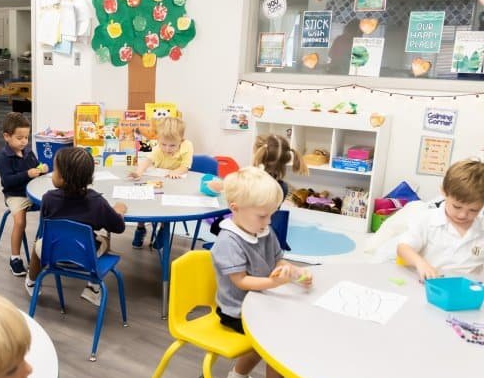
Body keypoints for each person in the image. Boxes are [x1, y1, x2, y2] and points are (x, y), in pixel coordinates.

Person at [210, 166, 311, 378]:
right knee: (275, 341)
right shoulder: (228, 241)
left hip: (263, 300)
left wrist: (293, 272)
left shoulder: (263, 229)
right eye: (263, 215)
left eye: (272, 214)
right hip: (236, 309)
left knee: (293, 321)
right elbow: (241, 282)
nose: (268, 222)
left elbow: (278, 258)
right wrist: (275, 282)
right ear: (236, 208)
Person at [24, 146, 126, 307]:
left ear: (63, 178)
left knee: (38, 245)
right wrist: (119, 212)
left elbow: (44, 226)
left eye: (55, 170)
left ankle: (31, 281)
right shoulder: (97, 202)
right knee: (105, 237)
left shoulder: (48, 198)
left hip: (52, 253)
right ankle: (93, 287)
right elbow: (119, 227)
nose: (52, 173)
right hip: (85, 256)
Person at [397, 159, 484, 280]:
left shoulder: (481, 228)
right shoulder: (427, 219)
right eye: (457, 207)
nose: (463, 215)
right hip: (430, 284)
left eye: (473, 210)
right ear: (444, 192)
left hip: (467, 290)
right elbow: (403, 248)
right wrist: (421, 263)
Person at [128, 117, 193, 248]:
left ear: (181, 140)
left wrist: (176, 172)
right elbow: (146, 161)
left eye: (172, 145)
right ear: (158, 140)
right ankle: (141, 228)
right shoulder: (158, 148)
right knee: (143, 201)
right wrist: (139, 173)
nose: (167, 149)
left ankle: (163, 230)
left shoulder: (187, 146)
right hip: (158, 182)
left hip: (175, 184)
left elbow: (185, 167)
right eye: (163, 144)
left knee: (166, 207)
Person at [0, 112, 48, 277]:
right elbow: (7, 182)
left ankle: (43, 250)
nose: (24, 141)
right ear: (7, 136)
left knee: (53, 210)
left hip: (32, 192)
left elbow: (36, 166)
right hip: (15, 195)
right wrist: (28, 174)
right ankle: (15, 258)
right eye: (19, 138)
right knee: (20, 222)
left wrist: (42, 168)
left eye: (26, 137)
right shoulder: (5, 157)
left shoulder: (28, 152)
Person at [206, 134, 308, 199]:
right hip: (267, 229)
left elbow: (214, 187)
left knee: (215, 225)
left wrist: (221, 185)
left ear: (258, 152)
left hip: (245, 227)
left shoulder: (248, 182)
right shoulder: (282, 188)